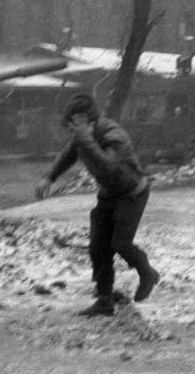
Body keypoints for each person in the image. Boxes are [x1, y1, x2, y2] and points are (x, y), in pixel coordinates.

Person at [35, 94, 159, 317]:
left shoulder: (114, 135)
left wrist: (86, 139)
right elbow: (67, 156)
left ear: (88, 122)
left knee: (121, 243)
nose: (72, 133)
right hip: (109, 195)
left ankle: (147, 272)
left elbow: (109, 166)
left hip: (132, 194)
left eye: (75, 127)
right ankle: (104, 300)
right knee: (98, 248)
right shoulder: (82, 137)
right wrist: (49, 177)